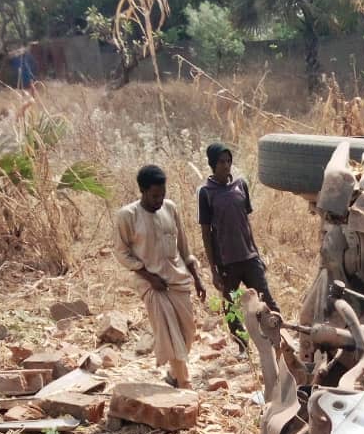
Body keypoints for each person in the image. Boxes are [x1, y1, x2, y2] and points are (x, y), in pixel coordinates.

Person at [114, 164, 206, 389]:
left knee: (187, 333)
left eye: (162, 195)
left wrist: (197, 278)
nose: (159, 200)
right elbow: (121, 252)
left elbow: (183, 247)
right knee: (169, 333)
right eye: (155, 196)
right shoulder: (128, 216)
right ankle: (184, 383)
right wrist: (148, 276)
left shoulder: (170, 208)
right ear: (143, 191)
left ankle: (174, 376)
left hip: (177, 279)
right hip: (152, 284)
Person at [198, 142, 279, 349]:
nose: (226, 166)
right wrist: (214, 269)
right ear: (212, 165)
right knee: (231, 308)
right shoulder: (206, 193)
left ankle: (279, 339)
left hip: (249, 258)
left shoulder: (240, 185)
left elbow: (246, 223)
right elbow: (206, 233)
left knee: (266, 301)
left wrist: (257, 254)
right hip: (227, 263)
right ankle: (243, 347)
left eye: (228, 161)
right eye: (221, 162)